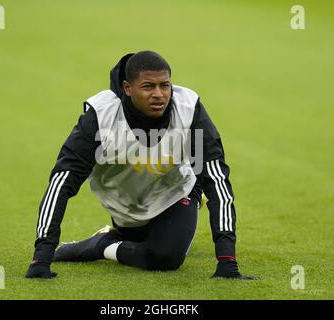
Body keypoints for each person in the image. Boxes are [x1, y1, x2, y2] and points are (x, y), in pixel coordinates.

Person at [25, 51, 255, 280]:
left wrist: (227, 261)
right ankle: (103, 241)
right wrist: (41, 256)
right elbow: (62, 180)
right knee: (144, 245)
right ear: (127, 88)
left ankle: (103, 246)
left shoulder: (187, 108)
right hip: (124, 208)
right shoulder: (102, 115)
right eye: (148, 87)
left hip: (175, 193)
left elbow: (216, 178)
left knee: (166, 257)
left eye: (165, 85)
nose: (159, 94)